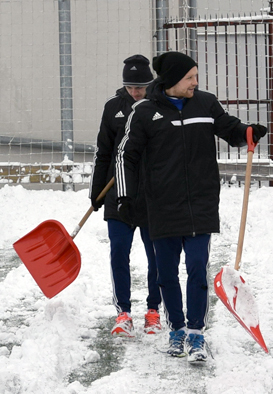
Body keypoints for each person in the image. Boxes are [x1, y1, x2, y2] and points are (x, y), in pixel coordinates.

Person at [115, 51, 267, 362]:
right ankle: (177, 331)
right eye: (190, 78)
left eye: (196, 76)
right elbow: (125, 156)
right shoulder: (144, 112)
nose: (196, 83)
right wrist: (126, 197)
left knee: (198, 269)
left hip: (201, 202)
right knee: (167, 273)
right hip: (161, 205)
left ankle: (196, 333)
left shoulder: (206, 104)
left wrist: (246, 133)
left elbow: (229, 128)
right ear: (171, 81)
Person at [89, 55, 161, 337]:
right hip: (116, 191)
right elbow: (103, 152)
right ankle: (123, 313)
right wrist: (96, 190)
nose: (135, 92)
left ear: (150, 83)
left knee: (155, 254)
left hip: (151, 194)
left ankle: (153, 310)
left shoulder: (159, 107)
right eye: (130, 87)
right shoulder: (113, 108)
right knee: (119, 251)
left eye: (141, 86)